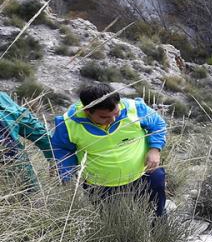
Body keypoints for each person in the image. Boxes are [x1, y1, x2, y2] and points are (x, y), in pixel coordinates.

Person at [51, 83, 168, 216]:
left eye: (116, 113)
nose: (112, 119)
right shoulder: (68, 124)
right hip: (101, 186)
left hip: (145, 174)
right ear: (87, 111)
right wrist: (67, 176)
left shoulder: (135, 109)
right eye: (104, 117)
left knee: (156, 213)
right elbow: (62, 150)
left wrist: (155, 149)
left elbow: (158, 124)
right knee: (114, 224)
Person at [0, 90, 53, 190]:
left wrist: (54, 158)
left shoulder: (2, 98)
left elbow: (40, 134)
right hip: (12, 158)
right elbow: (34, 128)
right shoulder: (2, 98)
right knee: (29, 193)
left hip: (12, 157)